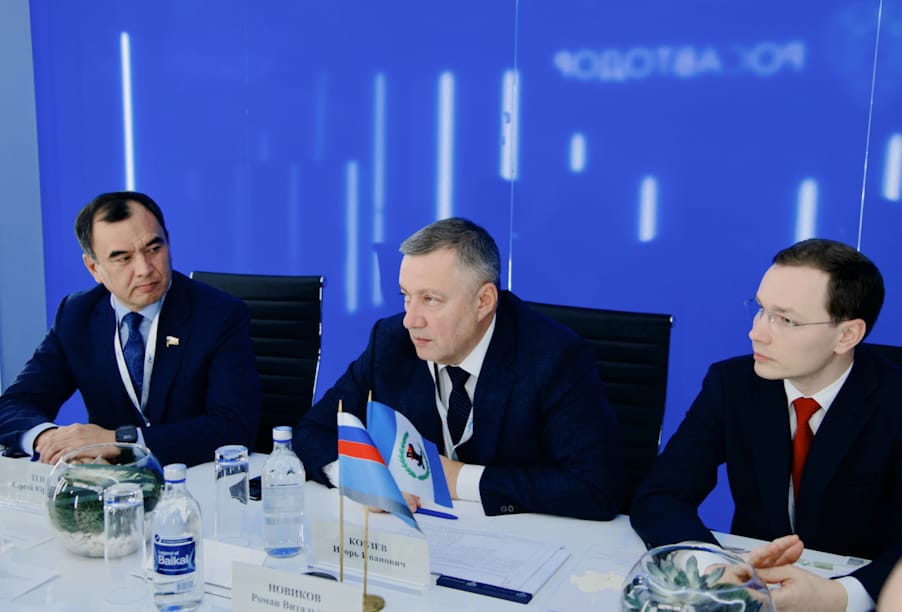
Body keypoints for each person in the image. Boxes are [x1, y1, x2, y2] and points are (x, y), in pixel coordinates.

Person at [630, 238, 902, 611]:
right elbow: (661, 495)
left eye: (786, 319)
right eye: (761, 310)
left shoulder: (893, 401)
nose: (756, 333)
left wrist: (842, 596)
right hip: (754, 595)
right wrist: (715, 568)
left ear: (847, 335)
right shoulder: (731, 385)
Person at [295, 217, 623, 520]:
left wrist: (459, 479)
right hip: (422, 535)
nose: (411, 320)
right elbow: (313, 431)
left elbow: (596, 487)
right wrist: (359, 478)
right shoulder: (391, 341)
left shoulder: (553, 358)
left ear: (484, 301)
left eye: (430, 300)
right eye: (406, 296)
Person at [0, 191, 261, 467]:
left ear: (169, 243)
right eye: (123, 258)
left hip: (195, 477)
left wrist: (120, 441)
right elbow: (14, 404)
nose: (144, 269)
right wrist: (48, 439)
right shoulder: (77, 314)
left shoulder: (219, 315)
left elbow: (234, 427)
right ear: (93, 268)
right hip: (110, 484)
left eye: (154, 249)